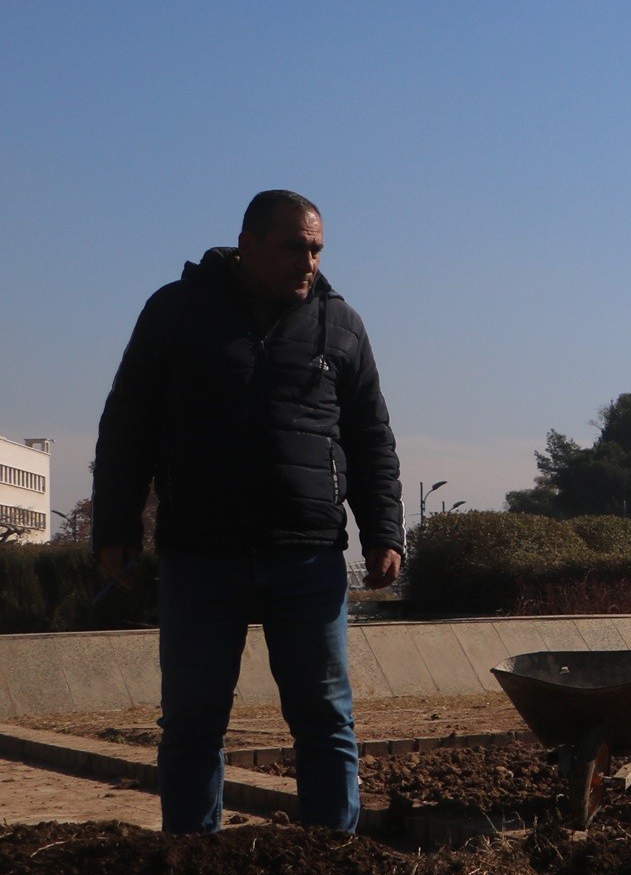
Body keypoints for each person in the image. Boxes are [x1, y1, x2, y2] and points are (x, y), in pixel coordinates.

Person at [93, 191, 403, 833]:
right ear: (249, 243)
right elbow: (127, 424)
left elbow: (371, 436)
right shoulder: (175, 312)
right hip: (201, 555)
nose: (309, 261)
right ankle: (190, 863)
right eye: (295, 246)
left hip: (309, 554)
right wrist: (117, 527)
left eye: (317, 248)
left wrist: (384, 532)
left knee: (325, 719)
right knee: (192, 722)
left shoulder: (341, 325)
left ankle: (332, 859)